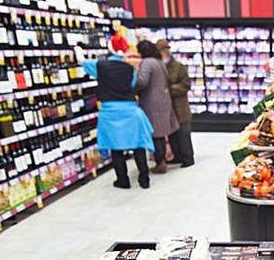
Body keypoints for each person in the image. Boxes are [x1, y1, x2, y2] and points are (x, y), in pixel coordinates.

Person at [76, 33, 154, 189]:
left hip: (109, 112)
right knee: (138, 145)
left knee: (116, 148)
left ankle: (123, 180)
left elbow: (81, 61)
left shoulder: (100, 66)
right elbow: (132, 84)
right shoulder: (129, 68)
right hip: (130, 111)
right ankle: (144, 179)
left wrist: (77, 48)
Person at [135, 40, 179, 174]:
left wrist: (132, 87)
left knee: (156, 134)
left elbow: (142, 81)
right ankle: (162, 161)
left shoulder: (147, 63)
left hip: (151, 102)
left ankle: (160, 162)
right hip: (164, 100)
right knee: (160, 132)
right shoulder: (159, 62)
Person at [157, 39, 194, 167]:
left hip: (180, 106)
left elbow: (186, 85)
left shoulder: (179, 66)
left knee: (184, 134)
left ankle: (188, 158)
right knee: (172, 134)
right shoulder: (159, 67)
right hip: (168, 107)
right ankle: (177, 156)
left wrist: (170, 89)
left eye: (164, 50)